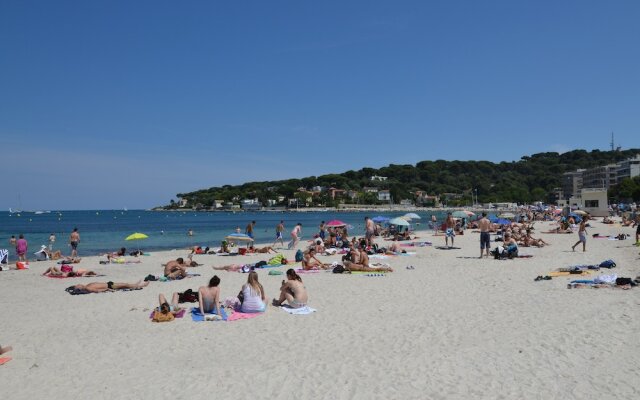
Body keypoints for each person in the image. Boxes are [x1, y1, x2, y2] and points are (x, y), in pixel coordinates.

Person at [70, 280, 149, 293]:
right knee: (125, 285)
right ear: (80, 288)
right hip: (110, 286)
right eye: (78, 285)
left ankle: (136, 285)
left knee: (124, 285)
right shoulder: (87, 288)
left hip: (109, 284)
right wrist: (107, 289)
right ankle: (140, 285)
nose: (79, 284)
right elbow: (97, 290)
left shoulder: (86, 286)